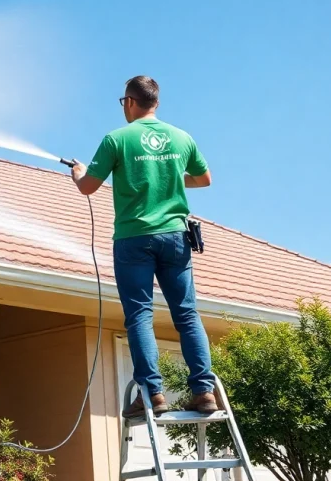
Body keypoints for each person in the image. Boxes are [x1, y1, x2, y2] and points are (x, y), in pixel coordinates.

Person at [71, 75, 216, 419]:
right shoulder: (182, 138)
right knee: (187, 314)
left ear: (131, 102)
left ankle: (152, 393)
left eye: (124, 103)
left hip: (133, 239)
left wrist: (78, 173)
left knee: (139, 315)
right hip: (174, 236)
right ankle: (204, 391)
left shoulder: (116, 139)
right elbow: (204, 179)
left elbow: (89, 187)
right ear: (157, 103)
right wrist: (164, 174)